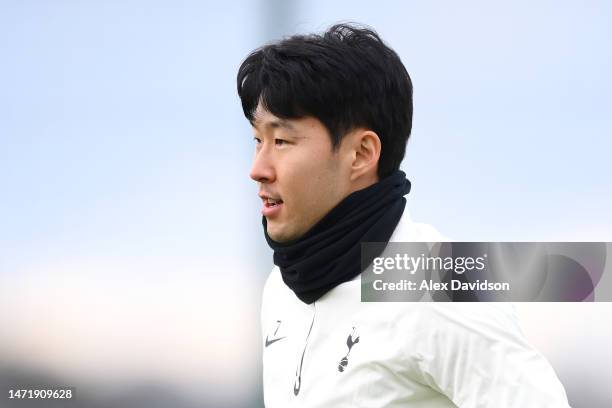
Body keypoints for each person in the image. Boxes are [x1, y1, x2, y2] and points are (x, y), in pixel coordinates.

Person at [237, 23, 571, 407]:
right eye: (258, 140)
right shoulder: (281, 286)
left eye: (281, 141)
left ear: (361, 154)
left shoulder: (437, 279)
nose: (258, 168)